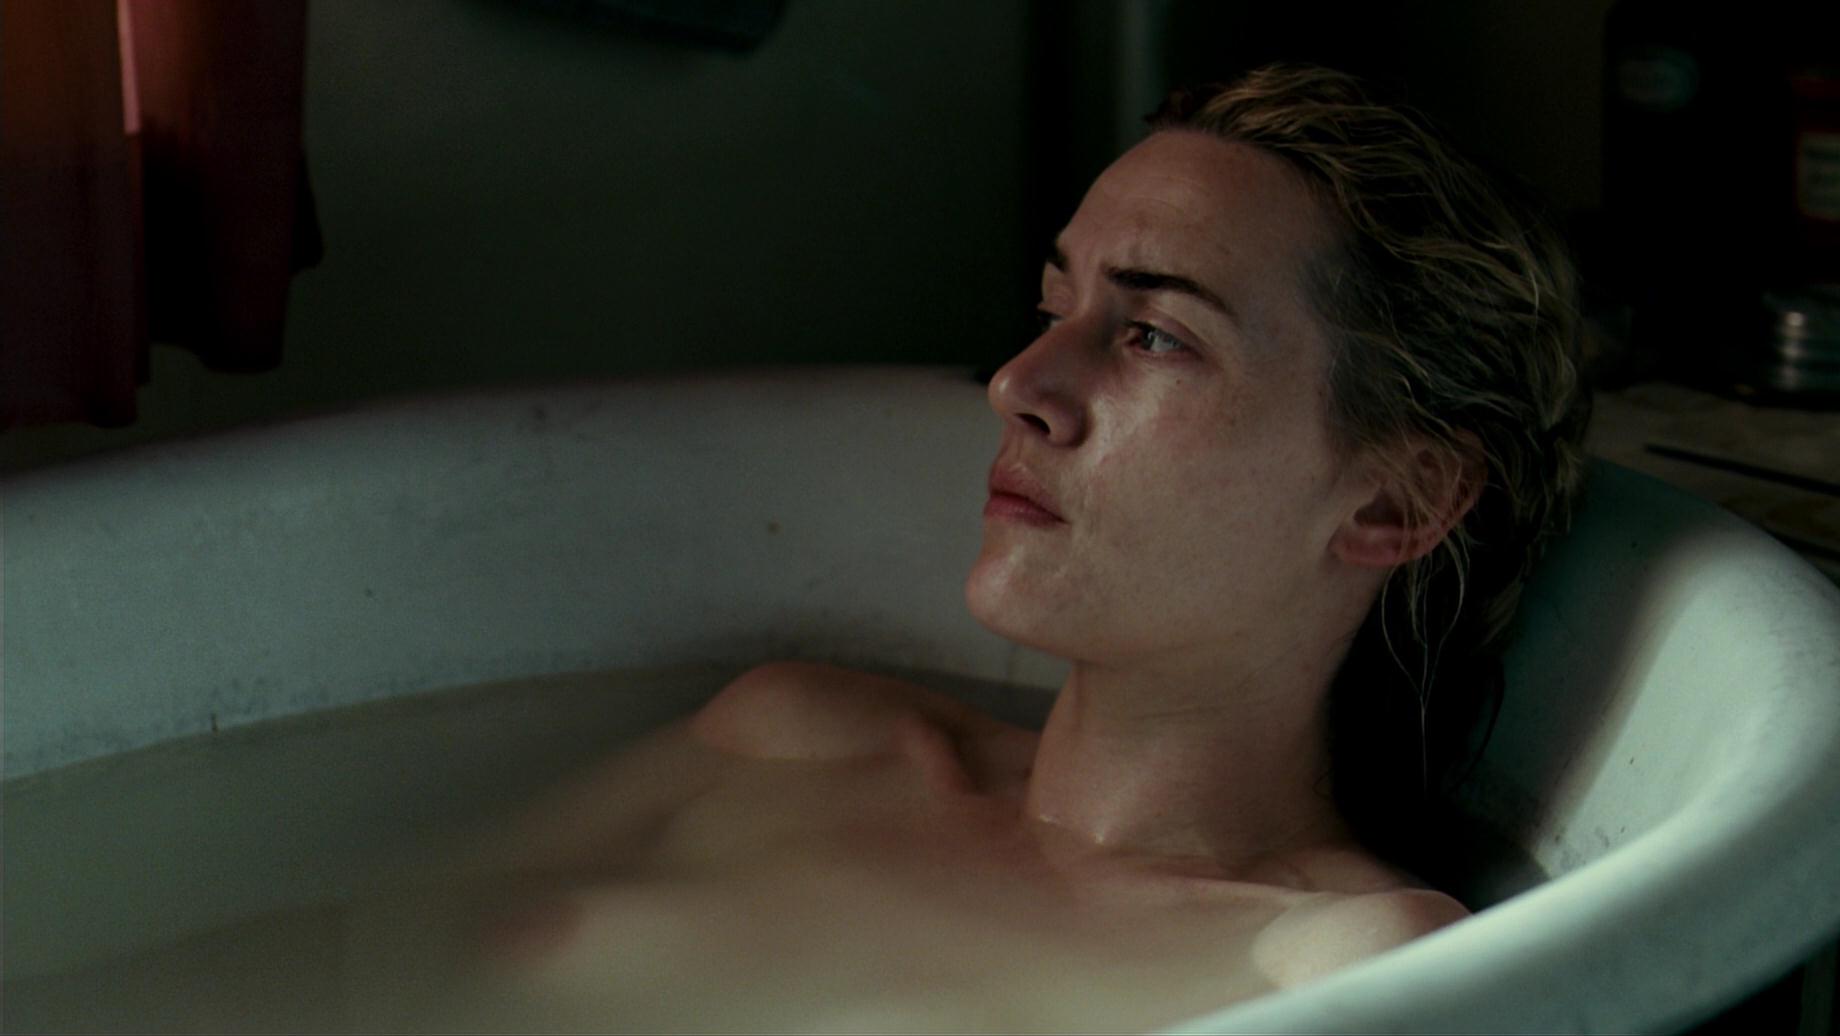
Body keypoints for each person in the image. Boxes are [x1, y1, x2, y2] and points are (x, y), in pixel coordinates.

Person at [7, 63, 1588, 1033]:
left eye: (1155, 337)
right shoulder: (791, 732)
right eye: (1055, 306)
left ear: (1392, 505)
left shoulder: (1343, 960)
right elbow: (302, 960)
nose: (1020, 384)